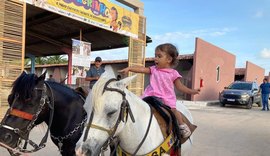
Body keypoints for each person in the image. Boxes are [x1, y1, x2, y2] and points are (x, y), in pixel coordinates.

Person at [118, 43, 200, 138]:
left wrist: (193, 91)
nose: (155, 58)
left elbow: (180, 87)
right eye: (155, 55)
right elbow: (142, 69)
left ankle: (182, 126)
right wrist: (130, 68)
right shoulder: (154, 69)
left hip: (166, 98)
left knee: (174, 110)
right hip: (151, 96)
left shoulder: (174, 73)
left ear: (169, 59)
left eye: (159, 56)